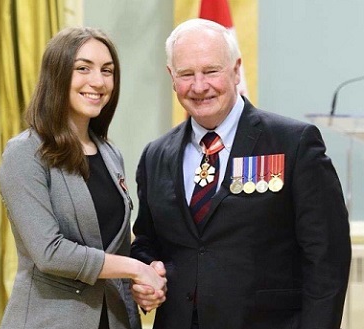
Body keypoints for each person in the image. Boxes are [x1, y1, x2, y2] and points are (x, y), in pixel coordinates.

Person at [130, 18, 351, 329]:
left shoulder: (293, 143)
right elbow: (146, 241)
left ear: (235, 70)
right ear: (171, 77)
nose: (199, 86)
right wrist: (146, 271)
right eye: (186, 74)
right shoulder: (155, 155)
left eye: (210, 71)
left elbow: (327, 257)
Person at [0, 26, 166, 329]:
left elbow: (115, 243)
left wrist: (144, 284)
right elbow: (49, 252)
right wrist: (134, 269)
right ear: (57, 75)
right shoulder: (24, 153)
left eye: (107, 70)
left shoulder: (110, 153)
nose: (98, 81)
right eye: (83, 68)